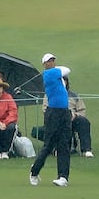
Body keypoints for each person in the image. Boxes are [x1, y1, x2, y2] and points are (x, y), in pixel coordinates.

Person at [29, 52, 72, 187]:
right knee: (49, 145)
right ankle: (34, 171)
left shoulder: (58, 77)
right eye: (48, 61)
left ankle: (63, 177)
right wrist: (56, 68)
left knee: (64, 145)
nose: (51, 62)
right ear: (44, 64)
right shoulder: (49, 74)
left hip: (64, 113)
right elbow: (67, 69)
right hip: (53, 113)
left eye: (53, 60)